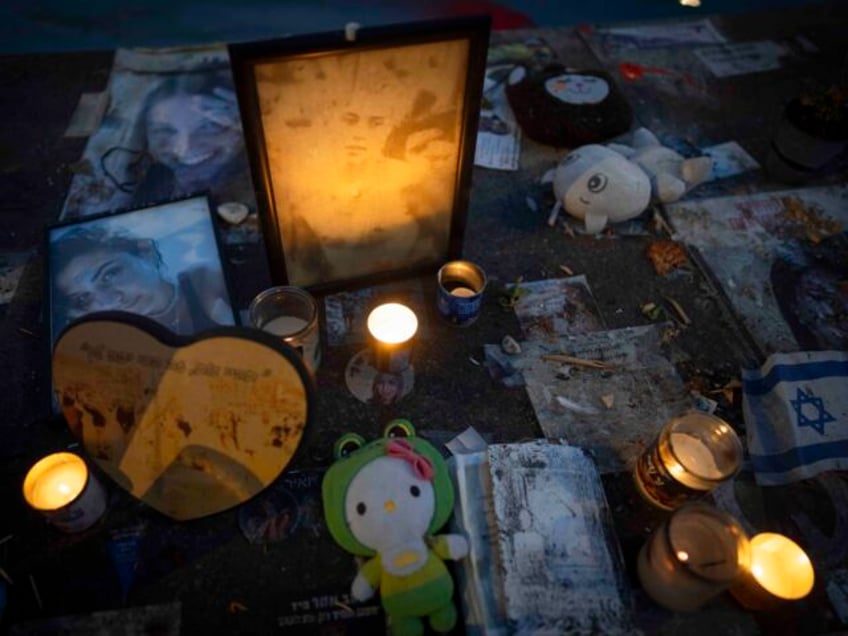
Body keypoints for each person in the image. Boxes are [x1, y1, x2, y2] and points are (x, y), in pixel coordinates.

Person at [101, 70, 250, 208]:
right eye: (165, 131)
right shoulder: (150, 188)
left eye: (208, 128)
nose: (183, 148)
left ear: (239, 132)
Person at [51, 226, 234, 337]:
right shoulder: (116, 344)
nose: (110, 301)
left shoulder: (206, 281)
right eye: (84, 299)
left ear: (147, 253)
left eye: (108, 275)